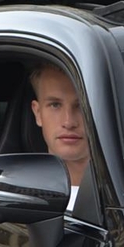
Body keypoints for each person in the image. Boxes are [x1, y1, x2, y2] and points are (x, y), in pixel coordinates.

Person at [29, 64, 91, 199]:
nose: (68, 122)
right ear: (38, 113)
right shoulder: (20, 195)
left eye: (81, 105)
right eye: (55, 105)